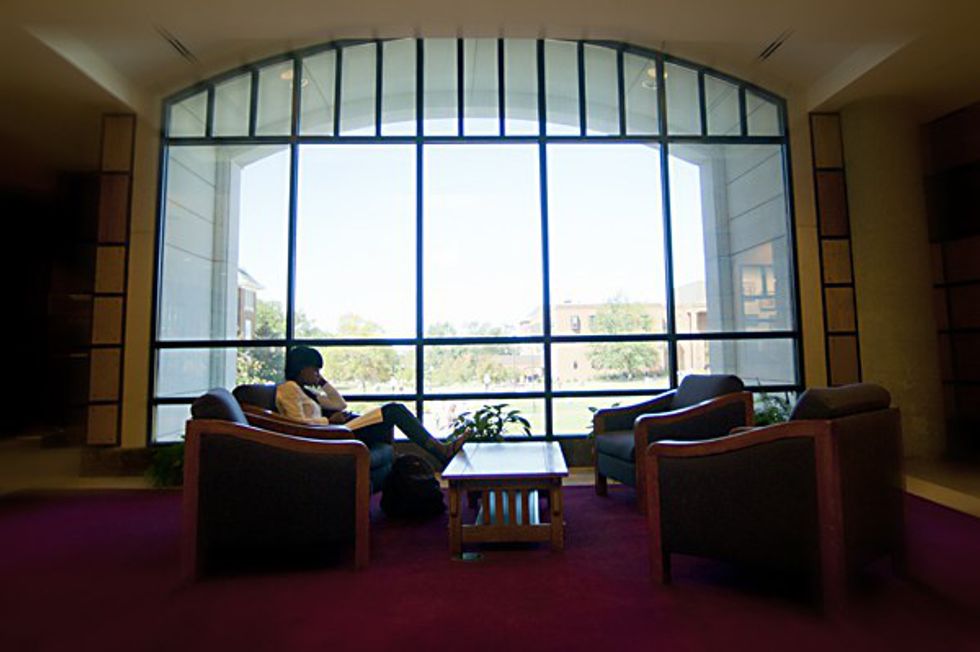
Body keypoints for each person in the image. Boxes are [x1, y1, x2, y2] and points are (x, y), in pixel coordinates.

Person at [275, 346, 468, 468]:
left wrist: (322, 382)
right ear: (302, 368)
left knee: (393, 413)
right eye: (315, 369)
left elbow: (339, 404)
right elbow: (297, 424)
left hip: (337, 430)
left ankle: (438, 452)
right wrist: (328, 421)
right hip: (331, 435)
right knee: (394, 411)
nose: (318, 374)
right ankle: (440, 451)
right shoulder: (288, 389)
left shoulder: (306, 392)